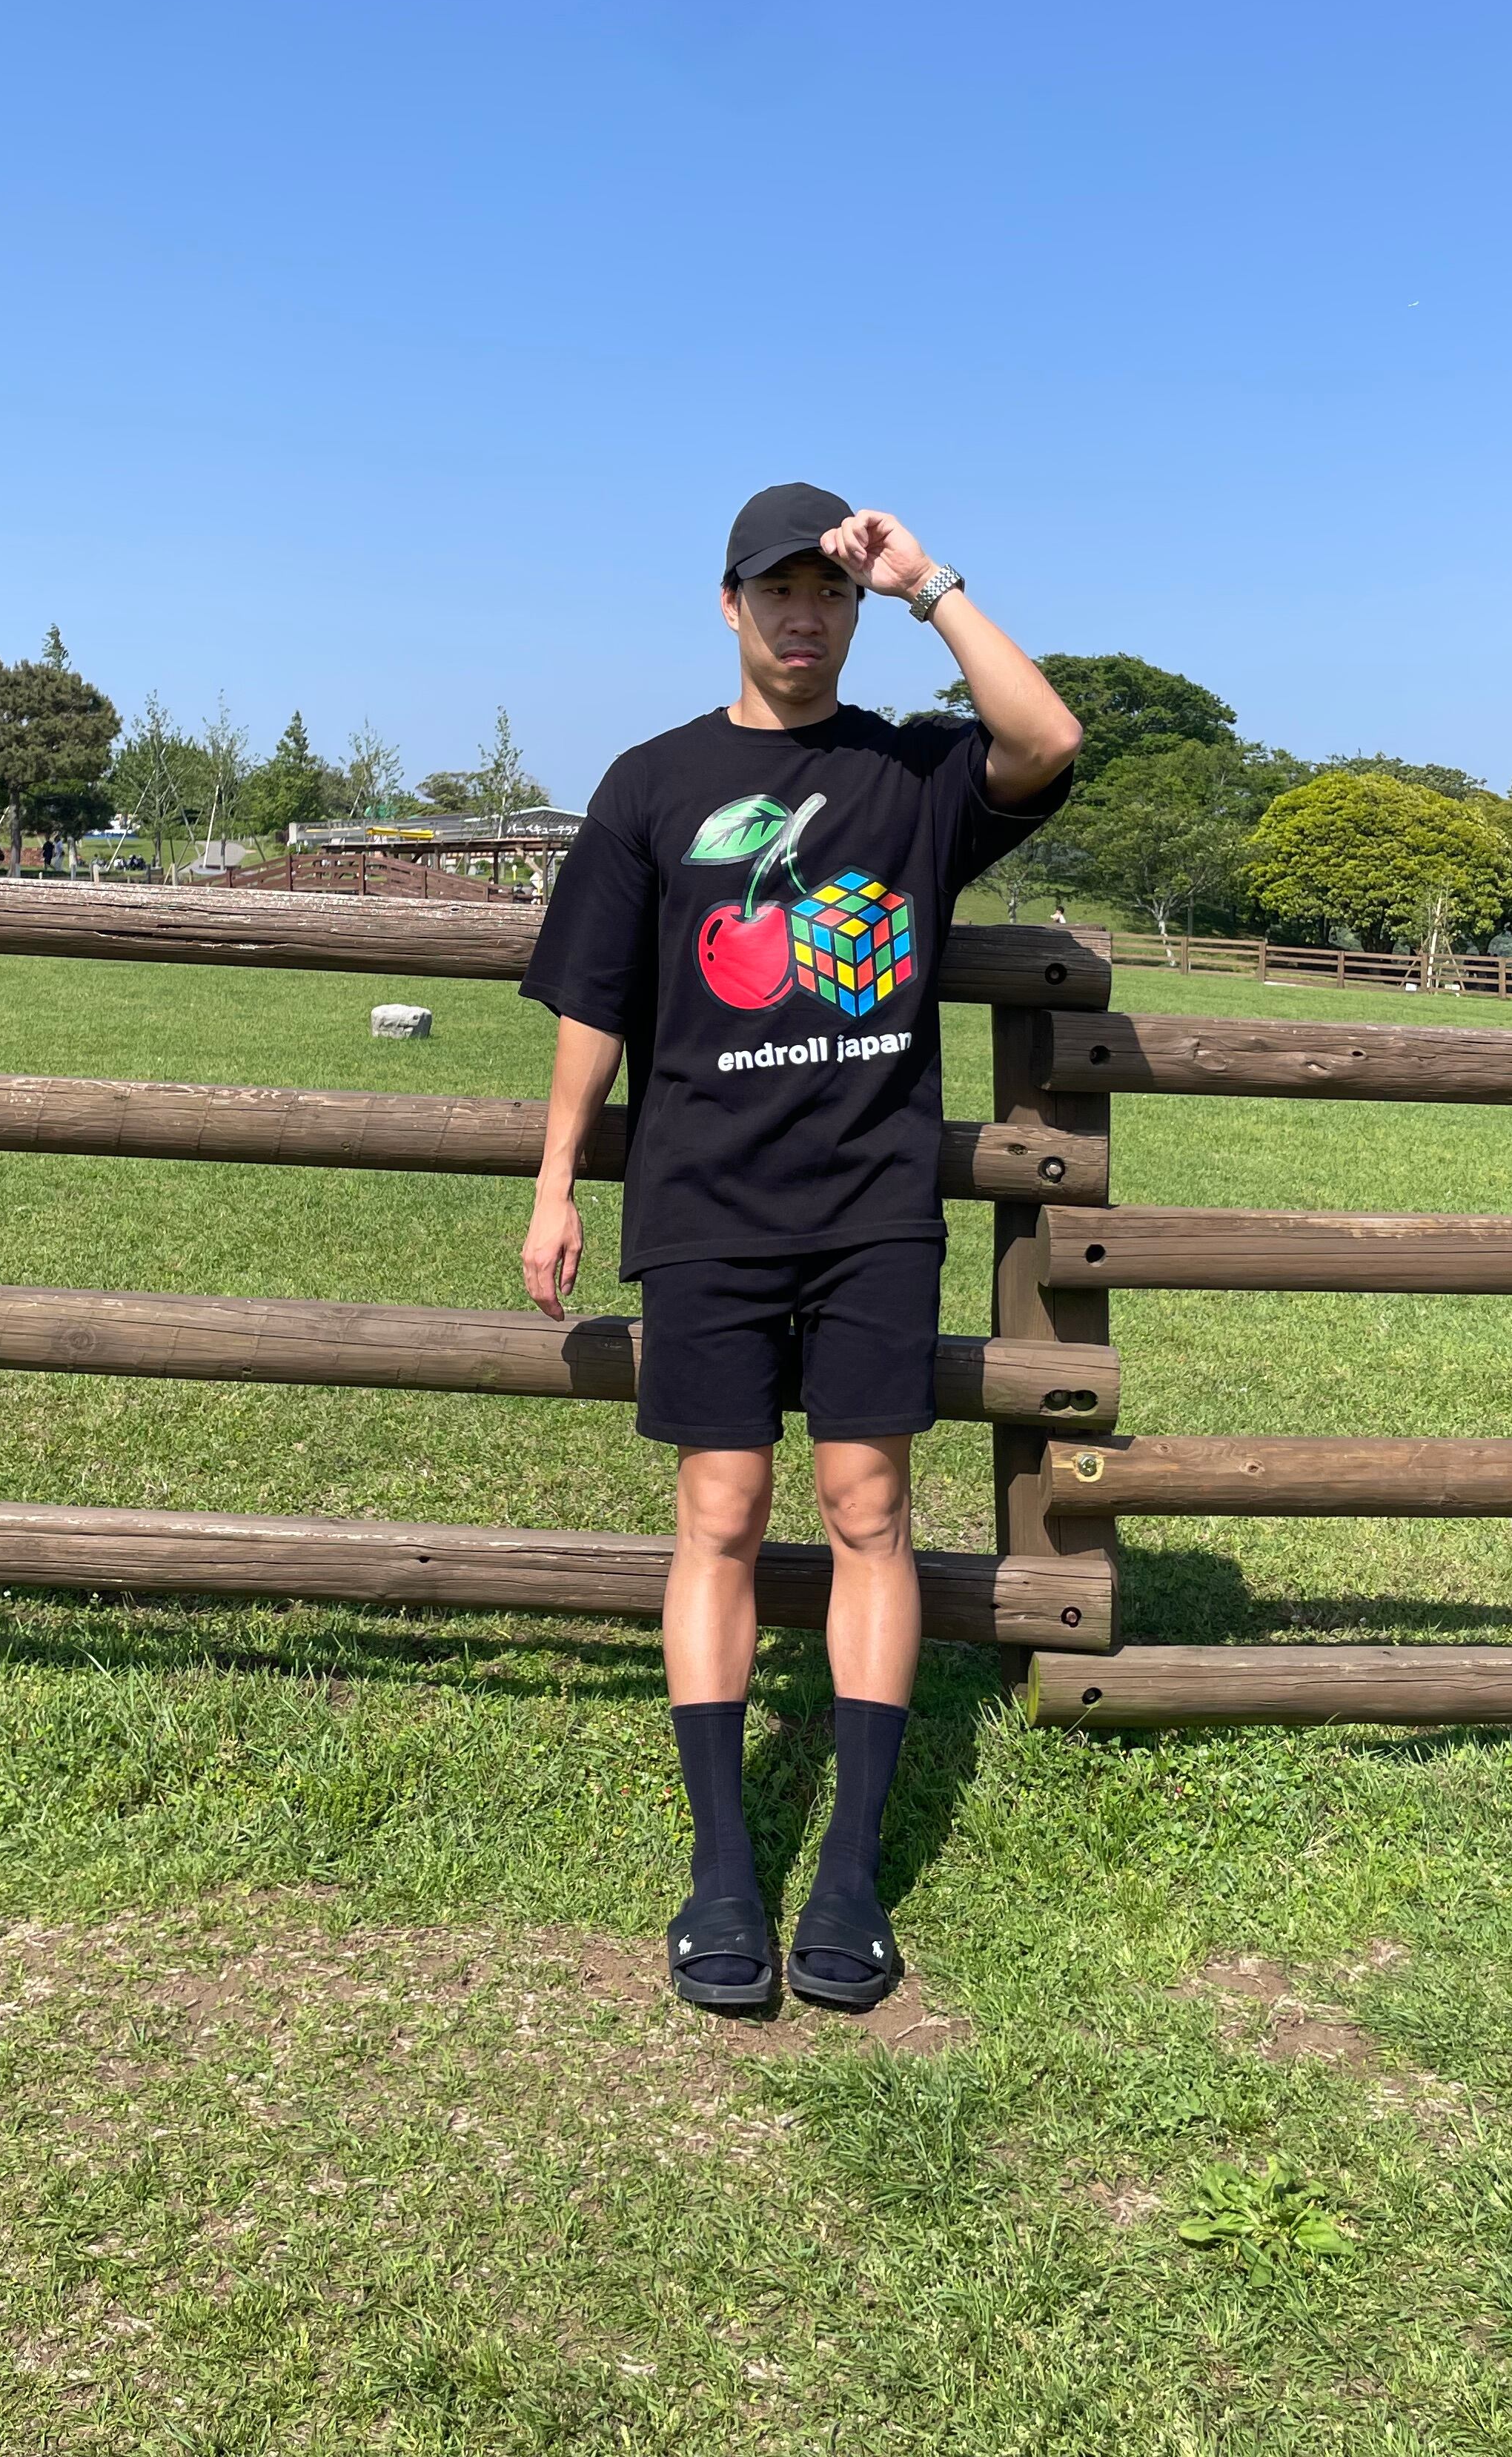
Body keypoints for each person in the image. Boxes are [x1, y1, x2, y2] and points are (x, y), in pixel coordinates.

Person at [518, 484, 1079, 2012]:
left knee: (867, 1507)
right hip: (705, 1203)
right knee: (719, 1509)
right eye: (778, 589)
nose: (804, 614)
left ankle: (847, 1872)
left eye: (828, 590)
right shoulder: (652, 784)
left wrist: (929, 583)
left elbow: (1046, 740)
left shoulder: (911, 774)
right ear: (729, 605)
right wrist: (558, 1177)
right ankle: (720, 1869)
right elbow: (594, 1000)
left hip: (870, 1206)